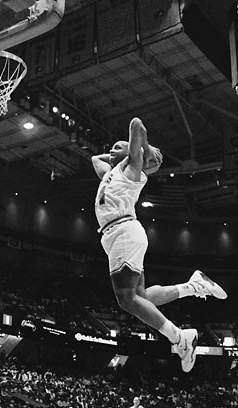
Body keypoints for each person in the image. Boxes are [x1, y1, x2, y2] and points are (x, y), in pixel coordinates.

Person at [91, 117, 227, 372]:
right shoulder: (110, 174)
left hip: (123, 231)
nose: (111, 150)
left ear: (133, 152)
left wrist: (144, 149)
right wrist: (115, 155)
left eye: (118, 147)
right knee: (141, 297)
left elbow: (136, 124)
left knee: (126, 300)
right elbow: (95, 160)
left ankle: (179, 337)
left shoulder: (132, 168)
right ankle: (193, 286)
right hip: (116, 236)